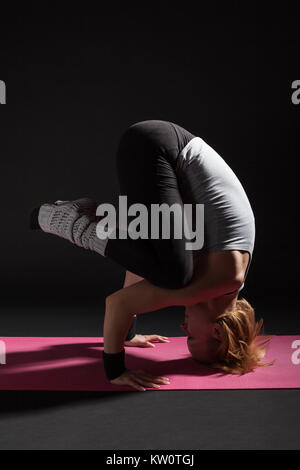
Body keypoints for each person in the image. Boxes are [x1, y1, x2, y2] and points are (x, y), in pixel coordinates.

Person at [30, 120, 272, 392]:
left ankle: (88, 213)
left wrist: (128, 335)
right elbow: (118, 304)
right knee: (173, 275)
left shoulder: (223, 277)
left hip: (157, 143)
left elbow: (142, 264)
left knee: (167, 265)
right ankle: (73, 223)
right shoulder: (218, 281)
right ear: (216, 331)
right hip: (156, 148)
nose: (182, 327)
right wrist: (115, 369)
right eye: (192, 337)